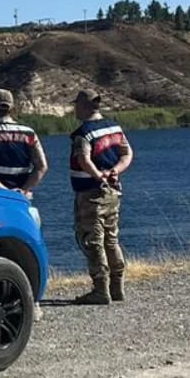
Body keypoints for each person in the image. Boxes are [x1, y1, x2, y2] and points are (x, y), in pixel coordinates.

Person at [69, 89, 133, 305]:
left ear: (84, 106)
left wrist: (98, 176)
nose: (75, 109)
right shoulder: (114, 128)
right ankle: (117, 286)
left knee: (92, 240)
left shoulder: (83, 134)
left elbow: (84, 159)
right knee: (111, 238)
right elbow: (127, 153)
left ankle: (100, 289)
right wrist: (115, 170)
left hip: (91, 193)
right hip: (113, 191)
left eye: (76, 105)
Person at [0, 90, 48, 196]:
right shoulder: (29, 133)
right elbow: (42, 167)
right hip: (20, 196)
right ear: (12, 109)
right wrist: (24, 190)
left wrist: (4, 191)